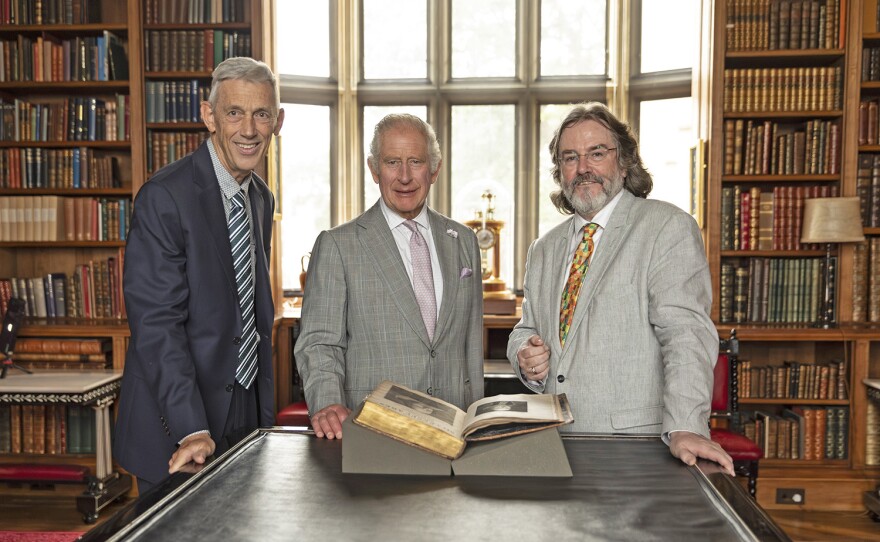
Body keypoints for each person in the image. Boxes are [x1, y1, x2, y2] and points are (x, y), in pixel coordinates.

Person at [507, 102, 734, 475]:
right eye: (570, 157)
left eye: (596, 153)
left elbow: (686, 335)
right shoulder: (543, 248)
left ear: (625, 161)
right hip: (553, 443)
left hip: (635, 447)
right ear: (559, 171)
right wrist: (524, 357)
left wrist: (685, 426)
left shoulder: (666, 228)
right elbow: (527, 327)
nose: (583, 168)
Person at [114, 57, 284, 493]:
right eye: (234, 113)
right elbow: (157, 325)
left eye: (261, 114)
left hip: (244, 410)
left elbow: (246, 308)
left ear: (277, 121)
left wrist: (261, 418)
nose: (248, 129)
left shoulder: (260, 199)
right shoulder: (164, 197)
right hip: (176, 427)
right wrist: (191, 428)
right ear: (208, 115)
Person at [295, 113, 484, 439]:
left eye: (416, 161)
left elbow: (471, 347)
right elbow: (320, 344)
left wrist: (478, 420)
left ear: (434, 169)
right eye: (393, 162)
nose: (405, 176)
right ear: (374, 169)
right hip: (375, 430)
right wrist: (326, 402)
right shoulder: (338, 245)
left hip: (456, 431)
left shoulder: (464, 241)